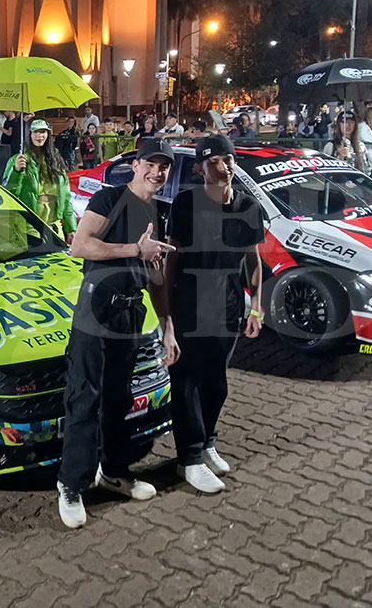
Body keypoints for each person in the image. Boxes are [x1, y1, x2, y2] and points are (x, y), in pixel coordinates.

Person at [56, 139, 175, 528]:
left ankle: (113, 472)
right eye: (151, 164)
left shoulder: (156, 211)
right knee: (84, 396)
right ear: (136, 165)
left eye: (164, 167)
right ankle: (71, 484)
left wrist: (167, 327)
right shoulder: (109, 198)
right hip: (96, 307)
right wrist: (134, 250)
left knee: (119, 398)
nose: (157, 172)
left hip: (130, 313)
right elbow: (80, 246)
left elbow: (157, 274)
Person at [161, 134, 264, 494]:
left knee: (216, 383)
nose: (224, 167)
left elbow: (253, 259)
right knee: (185, 382)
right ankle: (189, 459)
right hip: (189, 306)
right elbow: (171, 259)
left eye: (228, 159)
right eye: (214, 161)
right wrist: (167, 317)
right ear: (199, 168)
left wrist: (256, 307)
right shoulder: (185, 203)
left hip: (229, 307)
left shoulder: (248, 206)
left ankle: (206, 442)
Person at [1, 119, 77, 244]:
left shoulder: (56, 159)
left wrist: (71, 228)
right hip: (30, 227)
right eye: (35, 131)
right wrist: (16, 172)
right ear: (28, 134)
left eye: (43, 132)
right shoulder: (18, 160)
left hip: (55, 225)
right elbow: (8, 193)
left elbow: (66, 197)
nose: (39, 136)